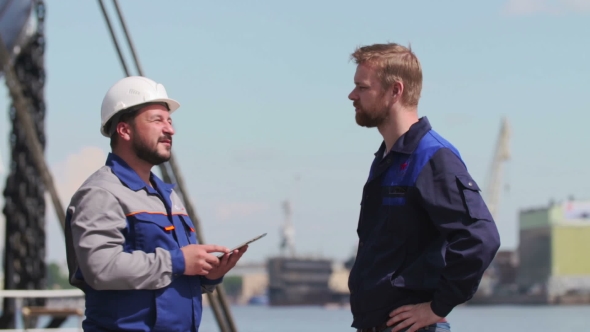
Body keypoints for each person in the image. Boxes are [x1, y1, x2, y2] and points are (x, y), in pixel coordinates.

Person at [64, 76, 247, 332]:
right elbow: (101, 267)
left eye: (170, 121)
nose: (170, 129)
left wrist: (207, 275)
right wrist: (178, 262)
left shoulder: (168, 196)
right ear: (125, 130)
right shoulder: (101, 193)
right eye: (157, 120)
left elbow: (170, 277)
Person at [346, 43, 501, 332]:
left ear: (395, 91)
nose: (352, 95)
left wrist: (437, 308)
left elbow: (481, 238)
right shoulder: (386, 159)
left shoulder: (431, 157)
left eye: (362, 87)